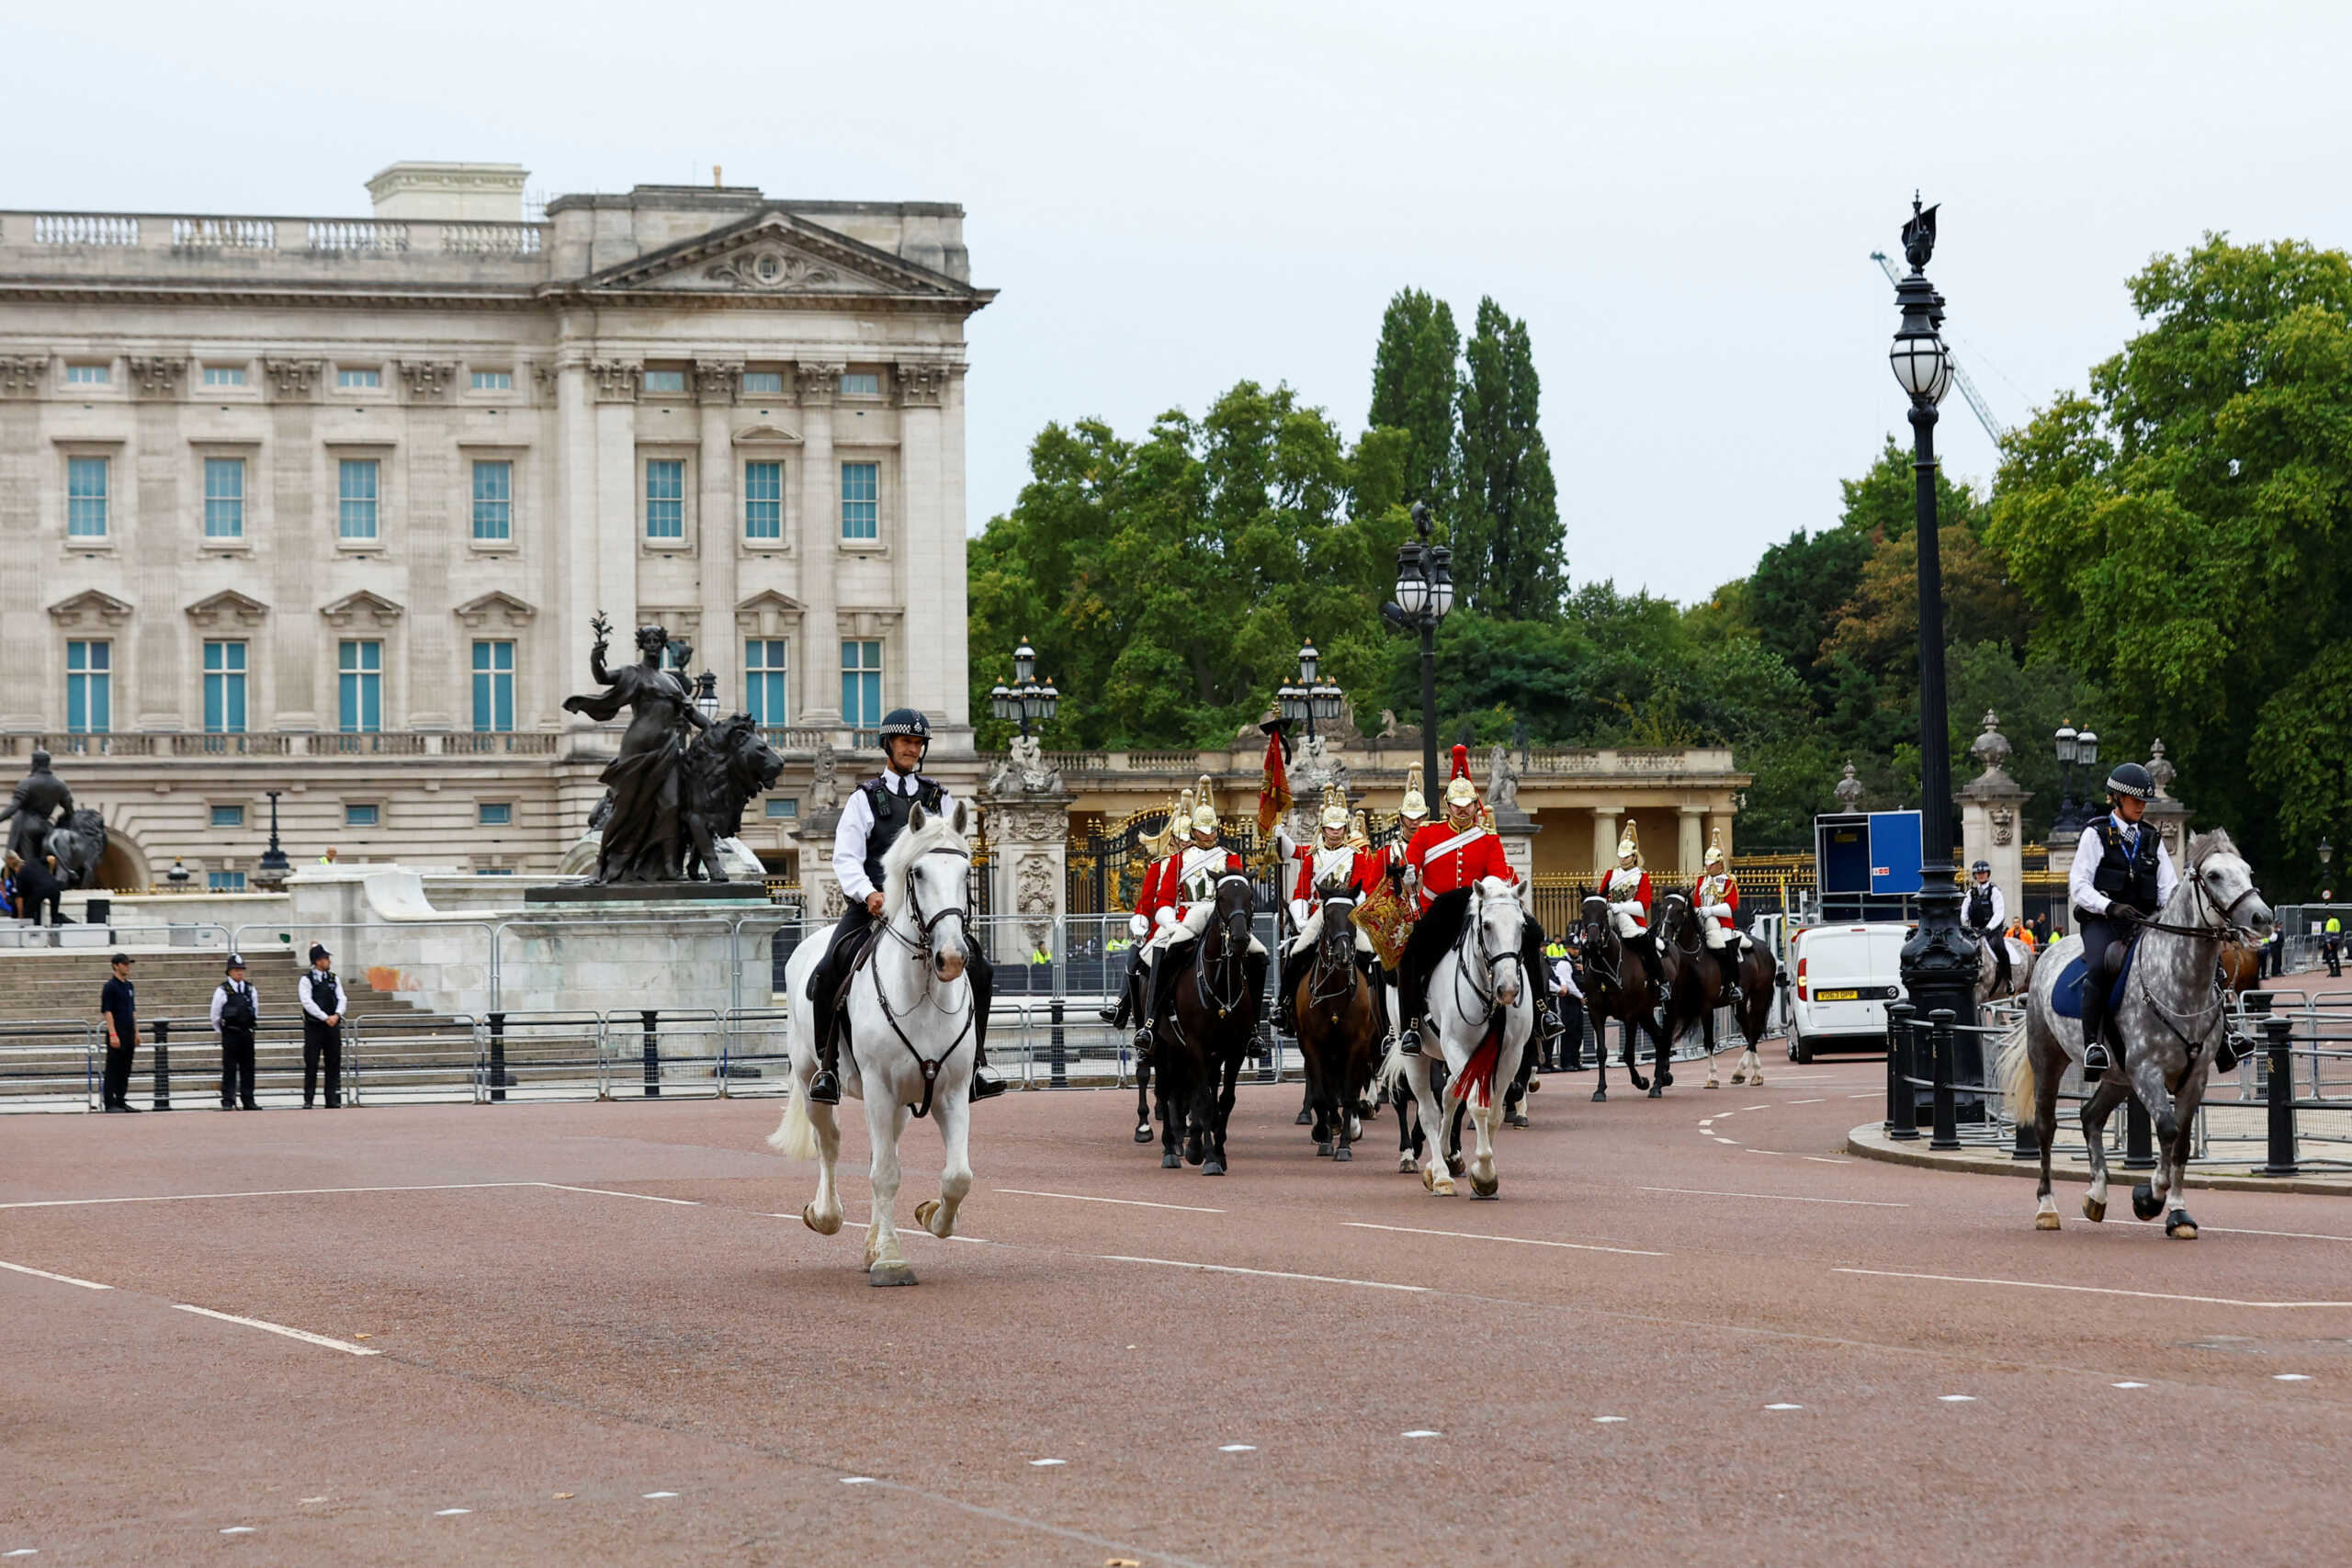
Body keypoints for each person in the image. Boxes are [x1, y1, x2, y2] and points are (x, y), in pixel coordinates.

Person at [802, 709, 1003, 1106]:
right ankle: (827, 1067)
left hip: (927, 910)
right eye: (905, 742)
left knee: (981, 967)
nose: (912, 748)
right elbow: (845, 857)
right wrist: (867, 893)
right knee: (827, 970)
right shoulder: (864, 799)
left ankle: (978, 1062)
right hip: (875, 908)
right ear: (889, 746)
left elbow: (952, 855)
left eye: (917, 743)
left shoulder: (939, 798)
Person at [1394, 746, 1523, 1053]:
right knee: (1410, 956)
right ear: (1447, 805)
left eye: (1468, 806)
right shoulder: (1427, 834)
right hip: (1438, 913)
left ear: (1475, 807)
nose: (1463, 810)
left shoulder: (1488, 839)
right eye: (1457, 805)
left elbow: (1496, 875)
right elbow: (1410, 865)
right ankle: (1411, 1027)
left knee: (1528, 941)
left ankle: (1541, 1013)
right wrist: (1408, 877)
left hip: (1475, 910)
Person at [2066, 762, 2178, 1080]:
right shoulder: (2096, 833)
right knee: (2102, 965)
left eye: (2144, 802)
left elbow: (2168, 887)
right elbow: (2079, 885)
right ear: (2116, 798)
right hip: (2103, 921)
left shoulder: (2151, 837)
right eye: (2135, 801)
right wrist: (2110, 906)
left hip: (2144, 922)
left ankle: (2222, 1036)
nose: (2141, 807)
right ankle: (2093, 1045)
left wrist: (2170, 915)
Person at [1122, 776, 1248, 1048]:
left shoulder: (1231, 857)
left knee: (1258, 957)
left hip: (1222, 919)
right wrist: (1170, 924)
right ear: (1194, 830)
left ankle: (1254, 1029)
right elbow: (1164, 899)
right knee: (1165, 956)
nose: (1209, 834)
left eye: (1213, 829)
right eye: (1203, 830)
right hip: (1187, 919)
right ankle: (1151, 1021)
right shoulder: (1177, 860)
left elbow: (1238, 891)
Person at [1274, 786, 1385, 1034]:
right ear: (1322, 830)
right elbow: (1301, 891)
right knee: (1297, 952)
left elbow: (1364, 888)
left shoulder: (1357, 856)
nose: (1335, 833)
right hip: (1319, 912)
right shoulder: (1313, 857)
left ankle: (1381, 1017)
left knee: (1372, 956)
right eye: (1330, 829)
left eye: (1339, 829)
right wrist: (1301, 917)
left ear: (1346, 829)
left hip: (1349, 912)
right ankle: (1284, 1006)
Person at [1600, 822, 1660, 986]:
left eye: (1626, 856)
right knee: (1589, 939)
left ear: (1634, 856)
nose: (1622, 859)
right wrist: (1606, 906)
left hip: (1632, 921)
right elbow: (1601, 896)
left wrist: (1620, 907)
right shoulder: (1611, 874)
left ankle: (1660, 981)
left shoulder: (1642, 876)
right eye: (1620, 856)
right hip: (1610, 914)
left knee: (1647, 945)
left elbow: (1643, 906)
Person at [1690, 830, 1744, 1008]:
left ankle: (1733, 985)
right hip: (1703, 923)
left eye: (1711, 864)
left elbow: (1731, 907)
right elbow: (1696, 902)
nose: (1707, 867)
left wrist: (1711, 910)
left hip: (1722, 924)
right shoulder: (1701, 881)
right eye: (1706, 864)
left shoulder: (1729, 881)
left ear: (1719, 864)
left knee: (1727, 947)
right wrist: (1698, 911)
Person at [300, 943, 348, 1108]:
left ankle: (331, 1099)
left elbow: (342, 998)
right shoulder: (306, 980)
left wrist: (337, 1014)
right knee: (312, 1063)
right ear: (317, 961)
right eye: (325, 958)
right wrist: (324, 1017)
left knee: (333, 1062)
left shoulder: (334, 978)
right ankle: (309, 1099)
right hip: (314, 1026)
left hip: (332, 1026)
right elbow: (307, 1002)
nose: (328, 961)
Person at [210, 953, 261, 1111]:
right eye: (236, 969)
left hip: (246, 1032)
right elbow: (215, 1015)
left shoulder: (250, 989)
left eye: (241, 969)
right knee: (229, 1067)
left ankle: (248, 1099)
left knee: (248, 1067)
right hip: (231, 1032)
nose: (239, 972)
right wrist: (223, 1031)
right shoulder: (222, 990)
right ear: (229, 972)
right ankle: (228, 1099)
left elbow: (255, 1010)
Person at [99, 953, 139, 1112]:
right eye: (124, 964)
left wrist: (136, 1032)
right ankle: (110, 1102)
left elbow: (133, 1010)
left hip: (129, 1031)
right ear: (116, 965)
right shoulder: (110, 986)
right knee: (113, 1068)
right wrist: (113, 1033)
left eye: (128, 963)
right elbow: (107, 1011)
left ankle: (121, 1099)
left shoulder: (129, 986)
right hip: (117, 1031)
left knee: (125, 1068)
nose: (127, 966)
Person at [1964, 859, 2010, 995]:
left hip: (1991, 931)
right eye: (1978, 873)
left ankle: (2009, 980)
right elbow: (1964, 912)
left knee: (2000, 948)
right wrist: (1965, 924)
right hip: (1974, 931)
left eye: (1984, 873)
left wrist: (1988, 928)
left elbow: (1999, 913)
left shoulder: (1994, 891)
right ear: (1975, 876)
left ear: (1988, 874)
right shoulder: (1970, 893)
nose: (1981, 875)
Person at [1548, 937, 1586, 1071]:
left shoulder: (1576, 963)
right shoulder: (1564, 964)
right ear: (1567, 948)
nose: (1576, 951)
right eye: (1574, 949)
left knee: (1578, 1032)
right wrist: (1580, 996)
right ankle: (1566, 1062)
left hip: (1576, 1001)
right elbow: (1569, 983)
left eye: (1577, 949)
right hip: (1569, 1000)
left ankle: (1575, 1060)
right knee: (1569, 1031)